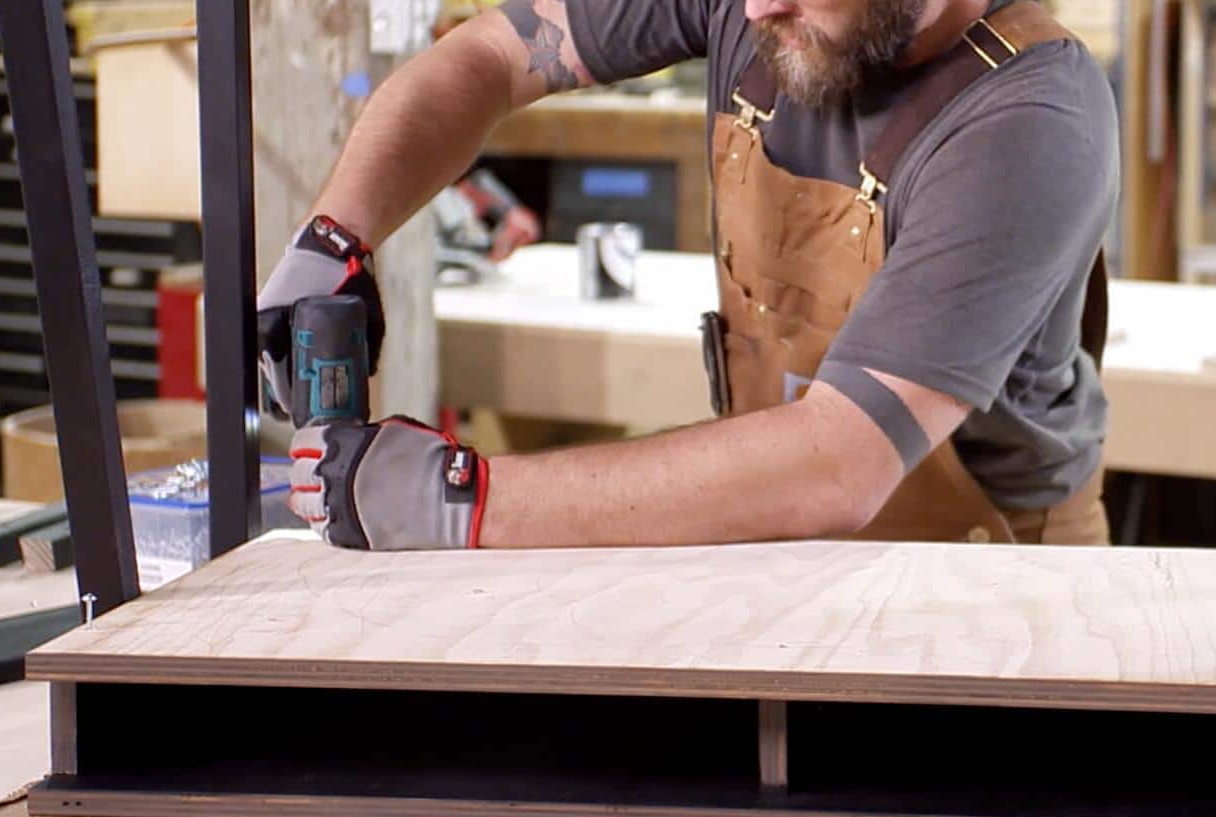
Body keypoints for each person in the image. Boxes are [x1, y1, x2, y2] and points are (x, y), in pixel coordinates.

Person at [261, 0, 1119, 551]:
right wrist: (335, 235)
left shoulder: (1031, 116)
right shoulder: (769, 7)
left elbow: (838, 462)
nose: (754, 10)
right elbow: (491, 54)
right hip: (787, 545)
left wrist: (459, 499)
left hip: (988, 588)